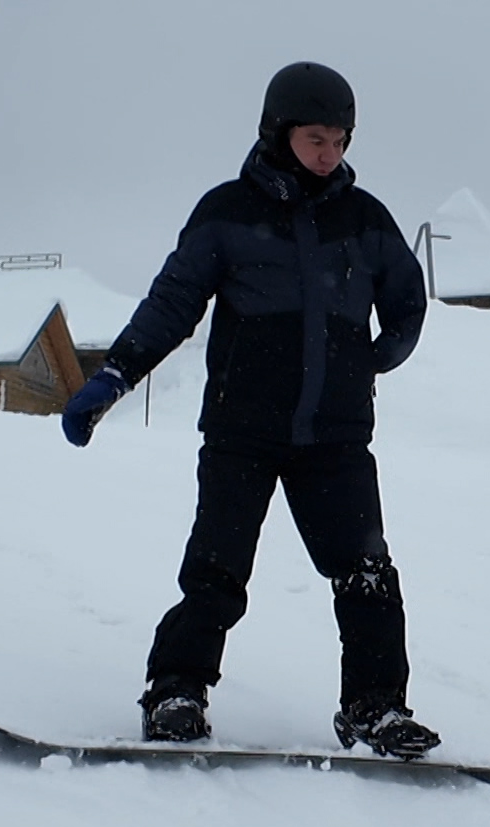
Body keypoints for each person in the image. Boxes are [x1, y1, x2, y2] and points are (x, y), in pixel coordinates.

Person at [58, 61, 438, 759]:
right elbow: (172, 303)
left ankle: (375, 708)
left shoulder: (365, 219)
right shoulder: (228, 213)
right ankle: (176, 690)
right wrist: (114, 374)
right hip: (242, 430)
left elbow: (407, 302)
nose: (330, 154)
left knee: (367, 573)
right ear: (278, 131)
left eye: (341, 141)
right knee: (217, 568)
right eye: (316, 139)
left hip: (336, 437)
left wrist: (377, 356)